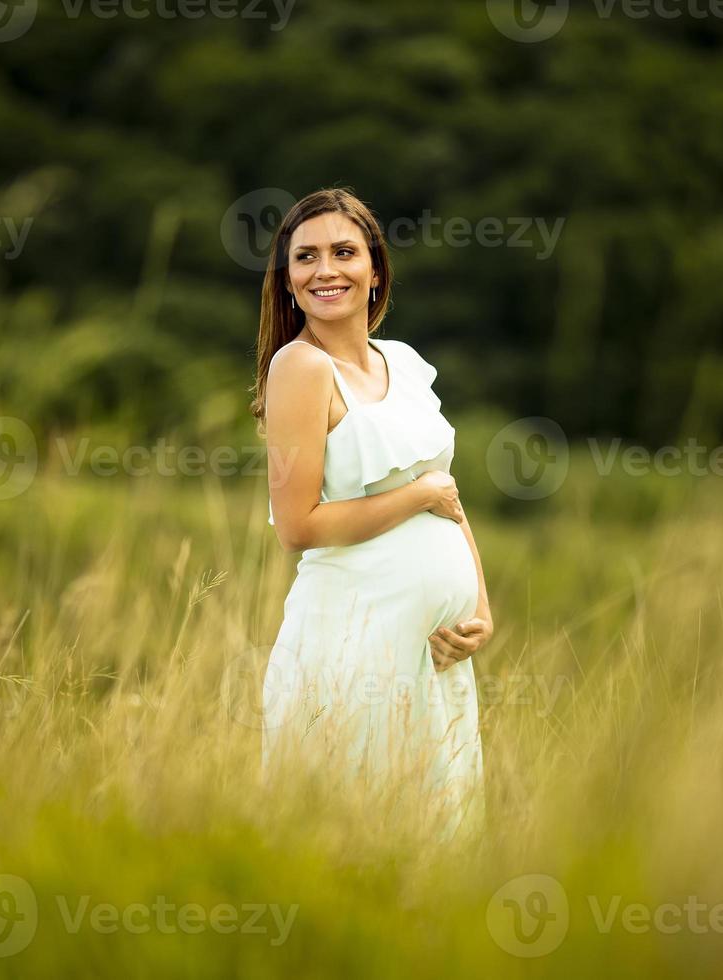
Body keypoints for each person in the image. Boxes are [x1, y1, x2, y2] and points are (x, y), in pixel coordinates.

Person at [249, 188, 495, 842]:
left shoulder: (406, 364)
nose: (324, 269)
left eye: (343, 252)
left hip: (436, 655)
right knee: (352, 837)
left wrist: (482, 609)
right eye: (305, 258)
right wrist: (416, 497)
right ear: (290, 283)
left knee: (437, 842)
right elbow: (297, 525)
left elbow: (449, 493)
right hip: (353, 648)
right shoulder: (300, 368)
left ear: (375, 268)